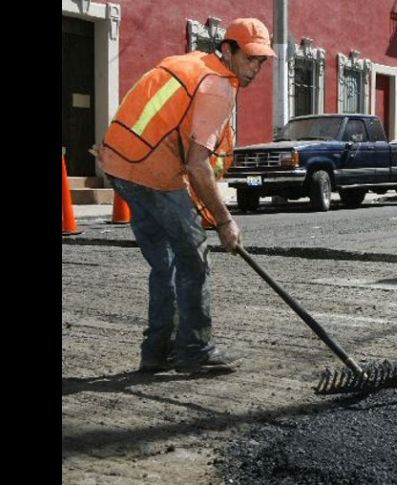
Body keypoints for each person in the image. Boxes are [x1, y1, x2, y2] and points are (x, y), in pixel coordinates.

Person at [95, 18, 276, 373]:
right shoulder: (218, 87)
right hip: (153, 173)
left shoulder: (191, 64)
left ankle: (156, 352)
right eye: (250, 58)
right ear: (228, 49)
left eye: (261, 61)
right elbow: (197, 164)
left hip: (119, 167)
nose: (255, 67)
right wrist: (224, 221)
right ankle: (195, 351)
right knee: (193, 260)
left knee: (166, 264)